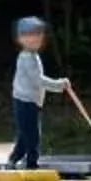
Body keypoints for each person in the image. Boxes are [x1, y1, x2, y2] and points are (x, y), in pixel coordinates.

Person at [7, 16, 69, 171]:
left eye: (39, 35)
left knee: (25, 134)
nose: (37, 39)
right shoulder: (26, 58)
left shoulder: (33, 56)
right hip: (24, 101)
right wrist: (59, 85)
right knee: (32, 135)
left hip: (32, 102)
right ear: (21, 38)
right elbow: (37, 81)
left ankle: (13, 160)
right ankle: (31, 164)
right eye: (32, 35)